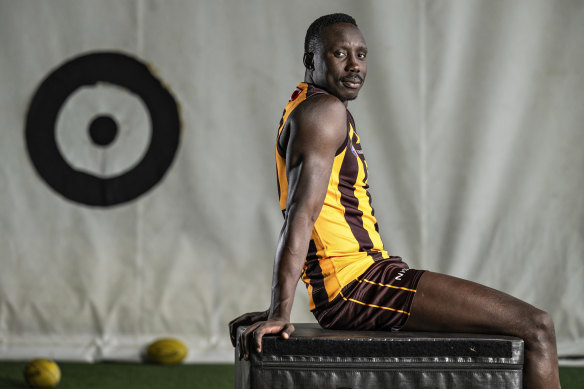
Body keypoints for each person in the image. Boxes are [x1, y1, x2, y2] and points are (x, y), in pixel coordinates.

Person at [228, 13, 560, 388]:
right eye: (340, 53)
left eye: (362, 54)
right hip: (358, 286)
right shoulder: (324, 112)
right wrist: (279, 311)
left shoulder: (311, 107)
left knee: (530, 326)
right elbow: (300, 216)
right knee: (537, 326)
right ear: (311, 61)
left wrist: (279, 303)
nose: (355, 66)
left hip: (369, 276)